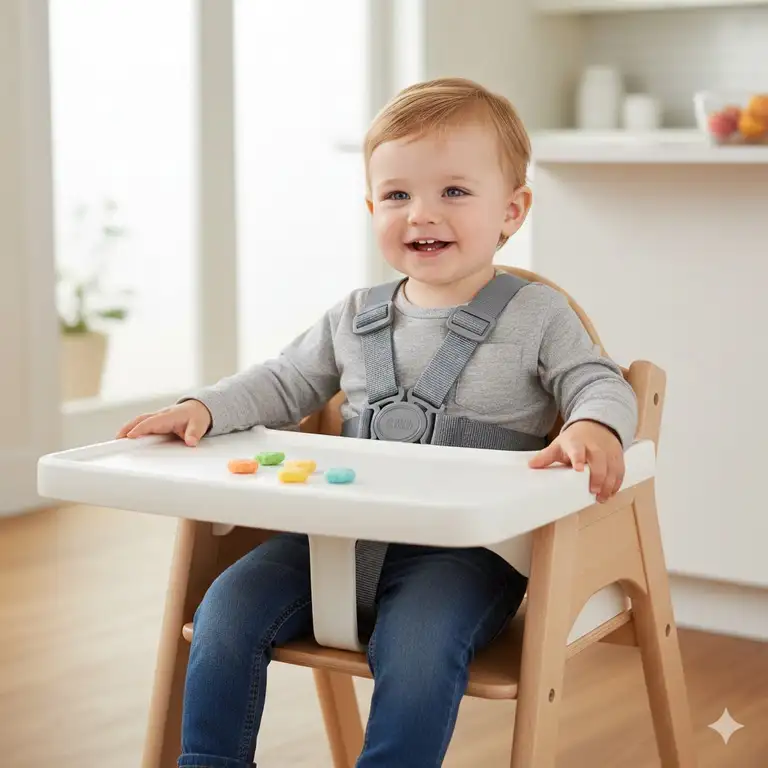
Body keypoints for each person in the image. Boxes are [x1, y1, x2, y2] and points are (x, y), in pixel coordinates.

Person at [118, 77, 637, 768]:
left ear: (512, 211)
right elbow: (281, 381)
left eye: (454, 191)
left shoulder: (538, 317)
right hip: (336, 534)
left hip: (465, 556)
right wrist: (204, 409)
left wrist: (594, 426)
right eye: (397, 195)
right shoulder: (354, 315)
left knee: (419, 650)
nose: (422, 213)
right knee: (225, 612)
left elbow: (598, 381)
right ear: (371, 208)